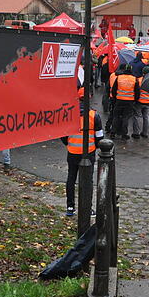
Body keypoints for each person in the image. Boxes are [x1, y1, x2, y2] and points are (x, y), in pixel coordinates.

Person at [61, 88, 104, 216]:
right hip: (88, 152)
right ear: (89, 97)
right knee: (87, 181)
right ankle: (87, 208)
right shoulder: (94, 116)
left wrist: (69, 143)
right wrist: (94, 147)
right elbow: (100, 137)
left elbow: (63, 135)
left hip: (72, 151)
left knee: (71, 178)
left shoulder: (69, 114)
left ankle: (70, 207)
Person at [111, 63, 140, 140]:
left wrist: (115, 98)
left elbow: (114, 89)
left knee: (116, 116)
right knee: (125, 118)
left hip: (119, 100)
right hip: (129, 101)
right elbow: (137, 92)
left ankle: (113, 132)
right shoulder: (134, 79)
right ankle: (124, 134)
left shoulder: (119, 77)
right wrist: (135, 100)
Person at [133, 68, 149, 139]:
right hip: (148, 101)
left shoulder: (139, 80)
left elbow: (136, 91)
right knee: (146, 117)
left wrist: (136, 99)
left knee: (137, 116)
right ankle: (145, 133)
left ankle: (136, 133)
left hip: (140, 101)